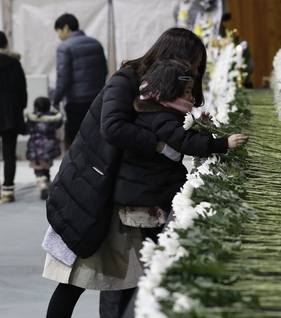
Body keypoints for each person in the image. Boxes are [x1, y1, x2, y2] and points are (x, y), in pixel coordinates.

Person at [42, 27, 213, 318]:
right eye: (194, 63)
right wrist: (160, 145)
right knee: (75, 279)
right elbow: (113, 127)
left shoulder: (161, 87)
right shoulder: (127, 80)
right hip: (94, 190)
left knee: (123, 278)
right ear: (176, 57)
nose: (195, 71)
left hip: (124, 191)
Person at [115, 59, 248, 243]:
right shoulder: (161, 116)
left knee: (155, 239)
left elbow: (180, 133)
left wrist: (200, 125)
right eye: (186, 91)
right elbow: (184, 141)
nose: (190, 97)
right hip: (147, 194)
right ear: (170, 92)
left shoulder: (159, 110)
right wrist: (223, 144)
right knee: (156, 241)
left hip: (148, 188)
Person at [52, 13, 108, 151]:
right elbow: (104, 70)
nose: (59, 36)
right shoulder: (96, 44)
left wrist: (55, 100)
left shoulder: (65, 47)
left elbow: (63, 78)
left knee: (77, 141)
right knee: (95, 138)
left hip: (76, 102)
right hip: (97, 99)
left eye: (58, 31)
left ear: (66, 28)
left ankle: (78, 171)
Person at [0, 30, 27, 203]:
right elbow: (22, 91)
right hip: (11, 112)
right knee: (9, 151)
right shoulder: (15, 64)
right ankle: (8, 190)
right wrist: (19, 108)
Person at [25, 97, 63, 200]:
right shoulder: (53, 119)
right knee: (46, 166)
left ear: (36, 107)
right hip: (49, 147)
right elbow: (60, 123)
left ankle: (42, 184)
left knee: (38, 169)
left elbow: (27, 129)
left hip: (35, 148)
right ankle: (48, 183)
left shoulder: (32, 119)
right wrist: (56, 111)